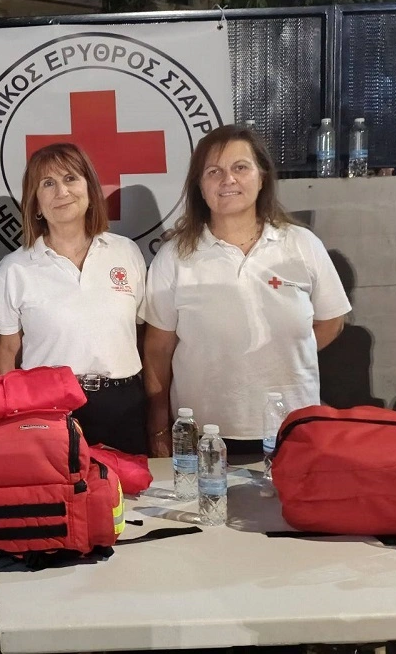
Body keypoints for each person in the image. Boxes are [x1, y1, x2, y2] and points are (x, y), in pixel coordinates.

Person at [143, 124, 351, 456]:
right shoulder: (175, 256)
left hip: (293, 431)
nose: (228, 180)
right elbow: (157, 351)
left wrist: (269, 360)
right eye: (214, 171)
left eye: (240, 167)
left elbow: (331, 323)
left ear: (262, 175)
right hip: (205, 437)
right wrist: (158, 429)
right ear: (200, 185)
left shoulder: (301, 244)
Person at [0, 143, 149, 454]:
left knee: (128, 498)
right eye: (47, 184)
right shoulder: (15, 268)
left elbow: (141, 331)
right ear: (35, 204)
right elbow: (8, 350)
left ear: (89, 190)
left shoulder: (126, 252)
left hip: (123, 406)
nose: (61, 191)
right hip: (48, 409)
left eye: (70, 178)